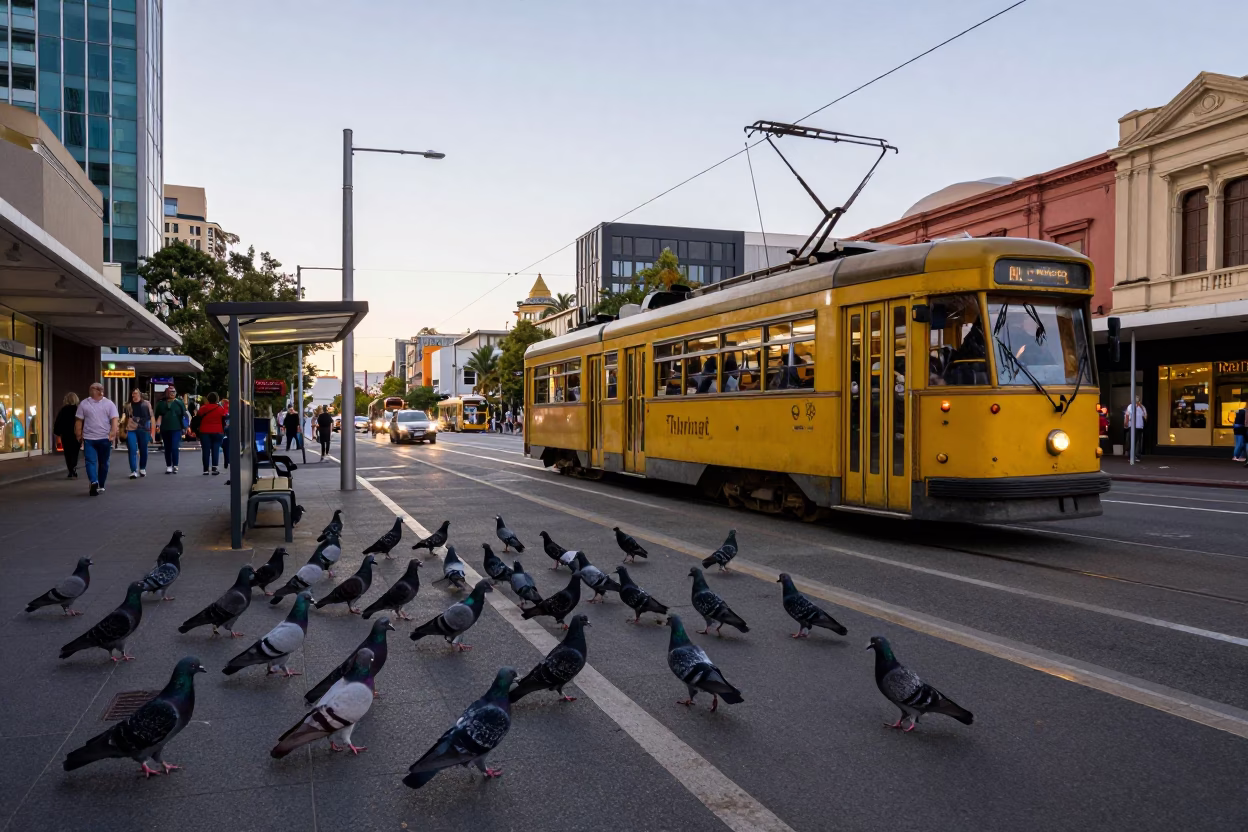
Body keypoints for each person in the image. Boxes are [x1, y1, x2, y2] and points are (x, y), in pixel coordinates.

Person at [75, 382, 118, 496]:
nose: (91, 390)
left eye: (93, 388)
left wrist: (113, 432)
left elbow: (114, 419)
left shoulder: (109, 404)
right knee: (90, 461)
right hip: (89, 438)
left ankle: (101, 484)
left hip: (104, 438)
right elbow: (79, 420)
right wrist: (79, 433)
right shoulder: (84, 403)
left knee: (103, 463)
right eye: (90, 388)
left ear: (100, 391)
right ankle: (94, 481)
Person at [122, 388, 154, 479]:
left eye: (135, 393)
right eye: (132, 393)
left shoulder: (146, 404)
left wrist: (152, 431)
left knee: (143, 449)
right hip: (131, 429)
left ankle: (142, 468)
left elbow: (150, 416)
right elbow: (125, 416)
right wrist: (122, 424)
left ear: (140, 394)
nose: (134, 395)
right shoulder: (128, 405)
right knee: (132, 449)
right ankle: (133, 471)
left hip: (143, 429)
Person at [154, 386, 187, 474]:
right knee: (167, 448)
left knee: (174, 447)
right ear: (167, 393)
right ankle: (169, 466)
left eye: (174, 392)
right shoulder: (161, 404)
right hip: (165, 428)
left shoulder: (179, 403)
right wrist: (156, 426)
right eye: (171, 392)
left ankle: (175, 465)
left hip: (177, 428)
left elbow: (184, 415)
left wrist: (186, 427)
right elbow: (157, 416)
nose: (173, 393)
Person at [196, 392, 227, 475]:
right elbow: (224, 419)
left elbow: (198, 418)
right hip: (217, 431)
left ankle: (205, 470)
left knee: (205, 450)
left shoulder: (203, 408)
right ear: (217, 399)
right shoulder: (220, 409)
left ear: (208, 399)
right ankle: (214, 468)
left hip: (204, 431)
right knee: (215, 450)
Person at [54, 392, 81, 478]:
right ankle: (74, 467)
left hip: (65, 435)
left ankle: (70, 470)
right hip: (76, 434)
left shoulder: (63, 410)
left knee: (67, 453)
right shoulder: (78, 410)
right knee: (75, 452)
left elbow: (58, 422)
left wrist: (57, 433)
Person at [1124, 397, 1147, 463]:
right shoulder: (1130, 406)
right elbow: (1127, 415)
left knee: (1138, 441)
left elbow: (1145, 416)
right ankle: (1131, 455)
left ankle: (1137, 455)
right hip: (1132, 426)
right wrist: (1126, 423)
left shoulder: (1142, 407)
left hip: (1140, 426)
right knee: (1132, 441)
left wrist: (1141, 408)